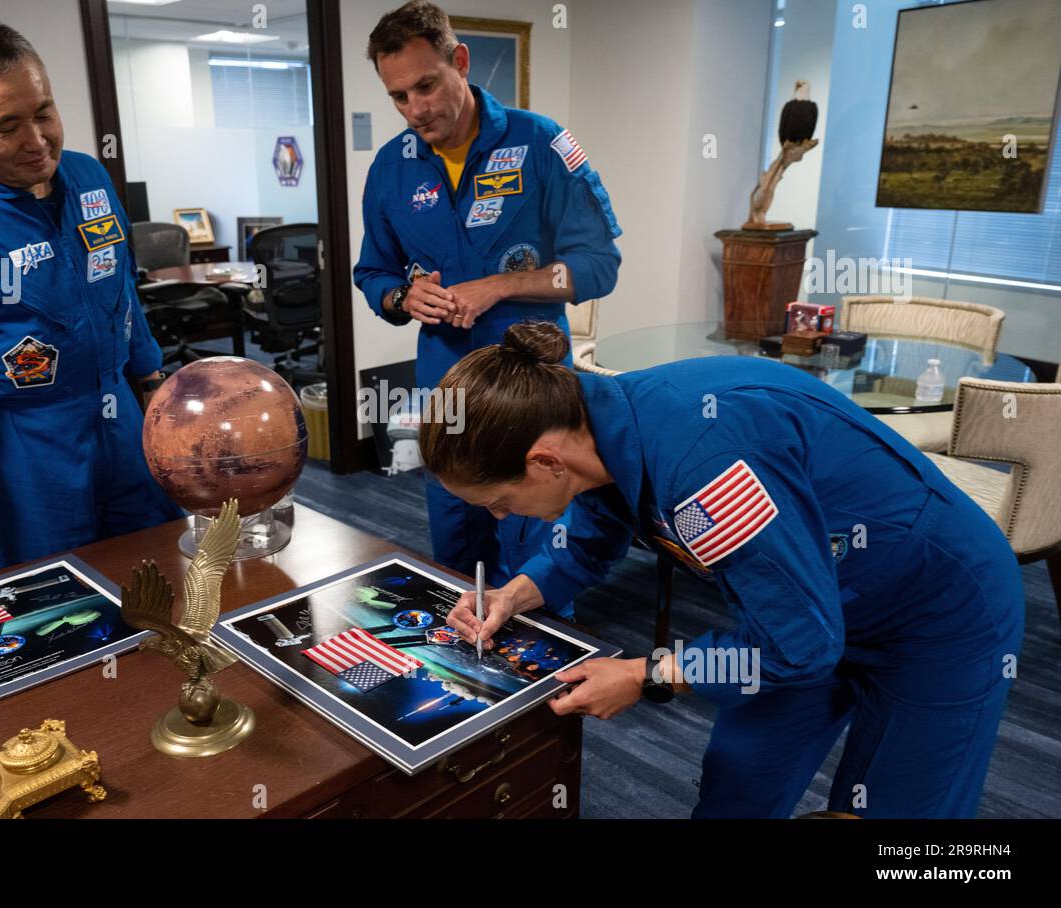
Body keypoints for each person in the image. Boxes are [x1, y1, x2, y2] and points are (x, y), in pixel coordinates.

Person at [421, 321, 1023, 818]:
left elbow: (801, 644)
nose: (501, 517)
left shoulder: (703, 469)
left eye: (498, 501)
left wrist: (644, 674)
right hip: (798, 607)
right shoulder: (592, 422)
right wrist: (514, 595)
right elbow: (587, 544)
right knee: (739, 781)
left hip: (938, 609)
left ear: (544, 461)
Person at [0, 19, 181, 578]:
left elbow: (122, 291)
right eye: (7, 126)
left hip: (120, 420)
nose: (37, 140)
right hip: (28, 447)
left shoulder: (91, 178)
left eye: (44, 112)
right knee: (60, 600)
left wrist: (154, 396)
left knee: (158, 572)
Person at [354, 1, 621, 595]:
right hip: (446, 389)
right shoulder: (391, 169)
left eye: (426, 85)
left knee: (534, 556)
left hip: (532, 391)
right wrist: (403, 297)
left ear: (462, 62)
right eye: (399, 96)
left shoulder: (541, 144)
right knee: (454, 553)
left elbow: (599, 268)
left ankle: (546, 678)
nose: (416, 109)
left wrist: (499, 286)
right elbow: (372, 272)